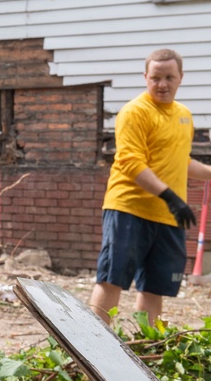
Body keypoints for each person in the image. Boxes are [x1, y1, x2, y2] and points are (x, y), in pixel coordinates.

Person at [89, 48, 211, 326]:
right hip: (129, 209)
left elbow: (182, 161)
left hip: (168, 216)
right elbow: (131, 162)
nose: (162, 84)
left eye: (169, 77)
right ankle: (90, 351)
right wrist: (171, 196)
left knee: (156, 287)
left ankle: (146, 347)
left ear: (181, 77)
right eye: (156, 77)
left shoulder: (184, 115)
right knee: (112, 279)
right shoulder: (135, 112)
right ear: (146, 77)